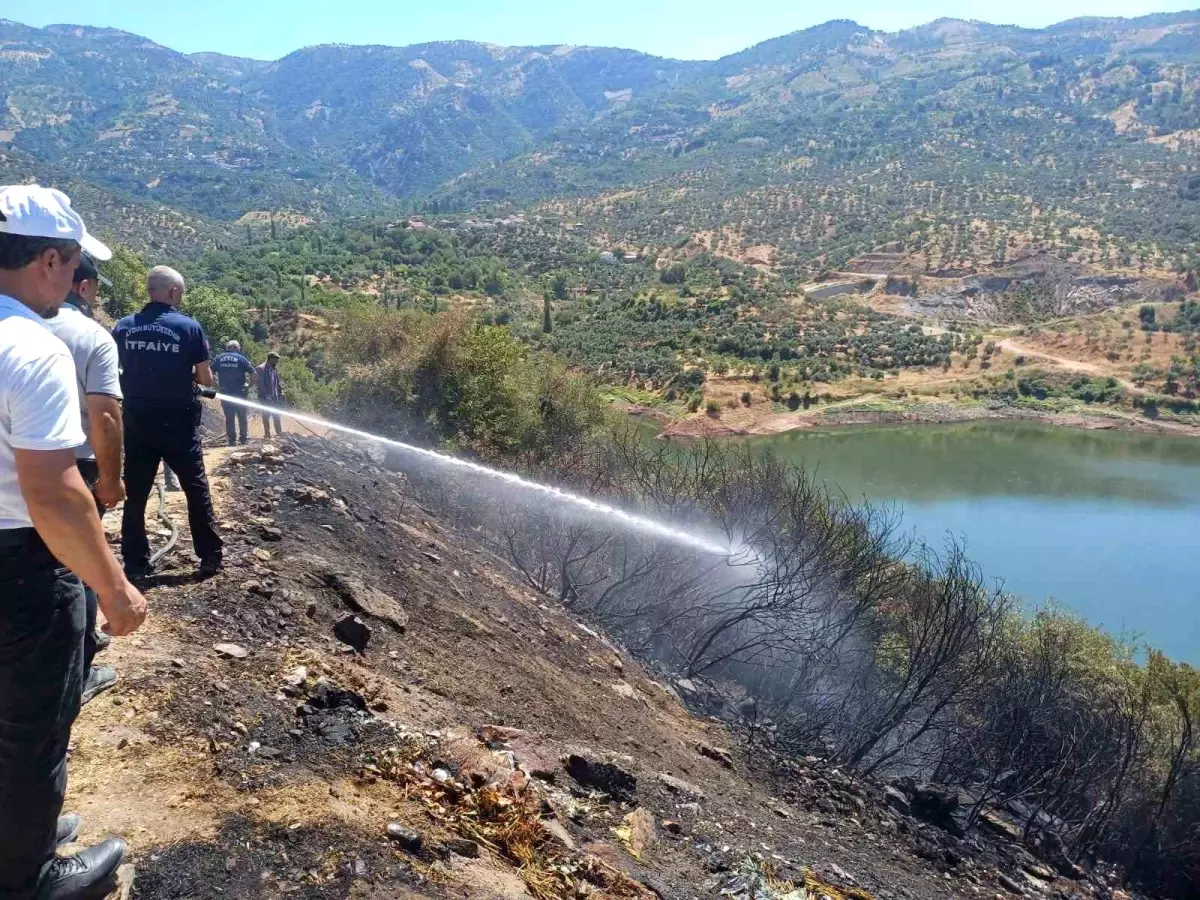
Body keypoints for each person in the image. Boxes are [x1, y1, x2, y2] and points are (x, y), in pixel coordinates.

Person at [0, 184, 146, 899]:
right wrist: (112, 590)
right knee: (33, 722)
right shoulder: (31, 345)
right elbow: (55, 496)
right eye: (75, 263)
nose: (78, 280)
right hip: (17, 567)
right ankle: (28, 876)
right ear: (50, 261)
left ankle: (18, 830)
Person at [42, 257, 124, 707]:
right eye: (94, 290)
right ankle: (80, 666)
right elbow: (106, 414)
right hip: (78, 460)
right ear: (83, 284)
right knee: (78, 560)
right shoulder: (91, 335)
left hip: (23, 461)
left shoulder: (15, 323)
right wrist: (111, 479)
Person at [113, 266, 223, 578]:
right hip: (178, 422)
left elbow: (113, 370)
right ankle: (210, 557)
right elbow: (205, 378)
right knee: (195, 487)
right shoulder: (188, 327)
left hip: (137, 421)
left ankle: (135, 563)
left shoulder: (123, 327)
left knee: (135, 494)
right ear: (173, 292)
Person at [212, 339, 255, 446]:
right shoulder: (241, 358)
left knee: (229, 417)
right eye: (239, 348)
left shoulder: (219, 358)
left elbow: (209, 373)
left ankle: (232, 441)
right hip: (240, 392)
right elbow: (254, 374)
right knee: (242, 416)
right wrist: (249, 386)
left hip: (225, 393)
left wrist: (217, 387)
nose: (240, 349)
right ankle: (243, 439)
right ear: (235, 347)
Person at [256, 351, 285, 438]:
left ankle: (279, 434)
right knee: (266, 415)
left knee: (276, 415)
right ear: (271, 359)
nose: (277, 362)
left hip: (274, 397)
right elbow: (260, 384)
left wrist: (281, 391)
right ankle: (267, 434)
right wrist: (266, 395)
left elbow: (277, 381)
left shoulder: (273, 368)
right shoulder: (261, 368)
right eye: (276, 360)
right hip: (265, 397)